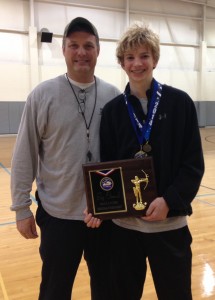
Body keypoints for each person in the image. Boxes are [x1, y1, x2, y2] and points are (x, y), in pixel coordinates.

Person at [10, 17, 120, 300]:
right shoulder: (42, 95)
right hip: (59, 217)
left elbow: (122, 156)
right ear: (64, 50)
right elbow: (24, 154)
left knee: (108, 289)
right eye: (74, 45)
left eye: (88, 46)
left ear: (98, 51)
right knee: (54, 292)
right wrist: (22, 209)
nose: (81, 52)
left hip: (103, 216)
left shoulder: (114, 97)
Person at [99, 24, 205, 300]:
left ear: (155, 59)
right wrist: (104, 204)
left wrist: (169, 200)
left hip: (169, 226)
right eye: (130, 57)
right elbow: (106, 166)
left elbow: (193, 164)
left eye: (144, 55)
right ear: (122, 63)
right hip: (124, 229)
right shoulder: (112, 112)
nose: (137, 63)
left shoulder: (180, 103)